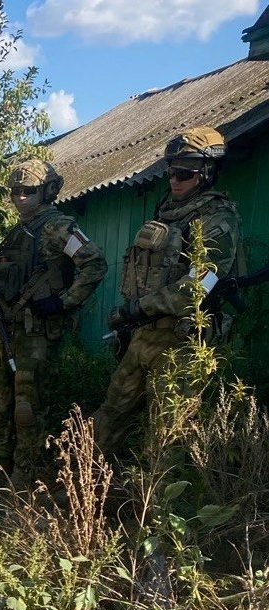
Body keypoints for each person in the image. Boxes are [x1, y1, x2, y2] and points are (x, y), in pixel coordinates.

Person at [92, 127, 243, 459]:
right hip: (143, 335)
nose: (174, 179)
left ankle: (156, 505)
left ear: (207, 172)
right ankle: (79, 489)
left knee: (167, 435)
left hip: (180, 342)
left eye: (184, 172)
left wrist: (137, 308)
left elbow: (200, 284)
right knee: (109, 416)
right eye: (171, 170)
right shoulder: (166, 213)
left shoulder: (217, 220)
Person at [0, 159, 108, 489]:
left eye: (29, 191)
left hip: (37, 331)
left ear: (48, 191)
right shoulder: (15, 233)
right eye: (15, 192)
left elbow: (94, 265)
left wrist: (62, 303)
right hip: (7, 327)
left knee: (27, 405)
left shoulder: (59, 227)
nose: (20, 197)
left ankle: (26, 472)